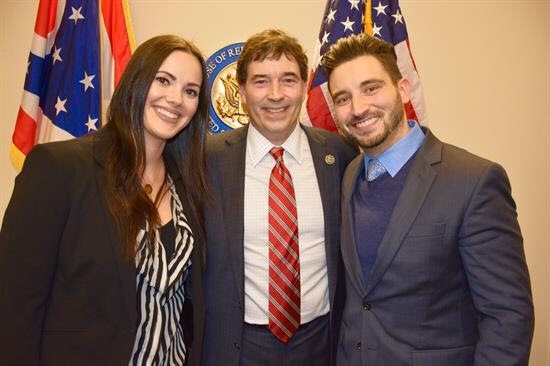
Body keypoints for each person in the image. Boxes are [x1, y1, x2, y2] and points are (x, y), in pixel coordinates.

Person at [321, 33, 534, 366]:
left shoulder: (473, 180)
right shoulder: (350, 175)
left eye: (371, 88)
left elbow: (508, 316)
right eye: (343, 98)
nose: (358, 108)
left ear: (403, 88)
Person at [0, 35, 210, 366]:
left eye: (190, 91)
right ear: (136, 81)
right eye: (163, 80)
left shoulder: (189, 184)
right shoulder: (60, 169)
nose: (176, 99)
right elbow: (15, 306)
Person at [202, 29, 357, 366]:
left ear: (304, 86)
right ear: (241, 91)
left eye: (288, 80)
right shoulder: (206, 161)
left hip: (321, 339)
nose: (275, 95)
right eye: (260, 82)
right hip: (238, 343)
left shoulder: (340, 153)